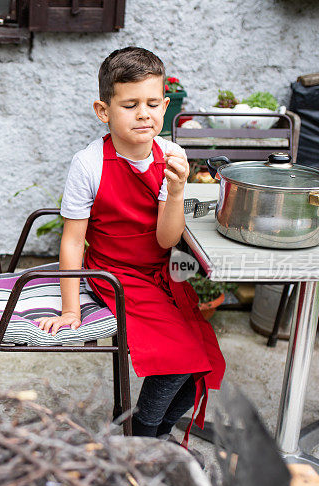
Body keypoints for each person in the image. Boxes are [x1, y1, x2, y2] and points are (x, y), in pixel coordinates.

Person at [37, 47, 225, 444]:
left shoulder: (172, 155)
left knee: (204, 363)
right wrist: (71, 308)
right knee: (176, 361)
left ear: (165, 106)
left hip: (161, 273)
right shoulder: (88, 163)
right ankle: (142, 438)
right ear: (103, 111)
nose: (144, 113)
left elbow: (167, 239)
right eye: (130, 104)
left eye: (153, 103)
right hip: (116, 275)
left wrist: (176, 193)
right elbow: (72, 243)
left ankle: (152, 436)